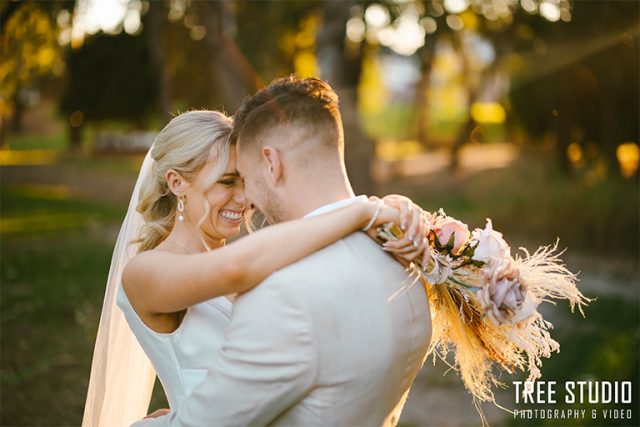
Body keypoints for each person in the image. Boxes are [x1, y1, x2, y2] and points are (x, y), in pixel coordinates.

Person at [82, 104, 430, 424]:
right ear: (177, 182)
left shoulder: (249, 256)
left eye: (245, 181)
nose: (245, 199)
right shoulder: (146, 272)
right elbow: (237, 270)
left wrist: (393, 213)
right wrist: (361, 211)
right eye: (226, 182)